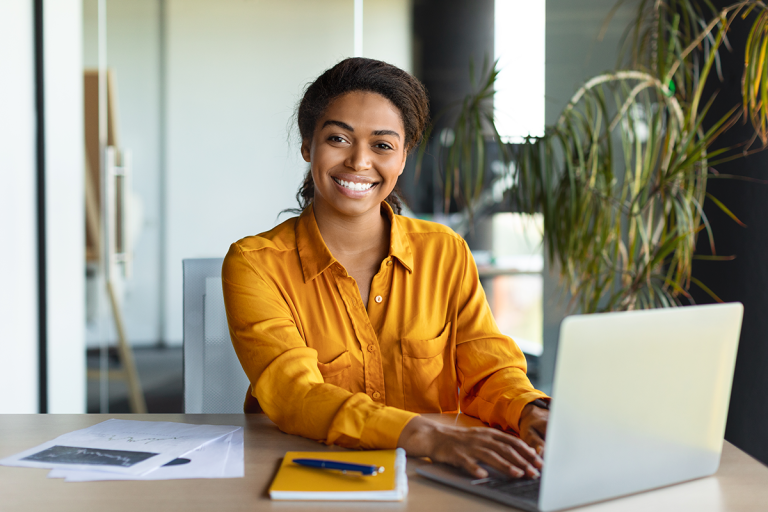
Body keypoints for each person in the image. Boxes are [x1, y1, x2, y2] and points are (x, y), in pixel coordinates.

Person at [222, 57, 550, 480]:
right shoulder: (255, 264)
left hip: (437, 474)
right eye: (338, 138)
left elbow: (489, 370)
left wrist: (528, 410)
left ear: (403, 157)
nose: (359, 162)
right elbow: (294, 393)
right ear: (308, 146)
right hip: (304, 472)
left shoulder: (445, 253)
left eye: (382, 145)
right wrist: (427, 435)